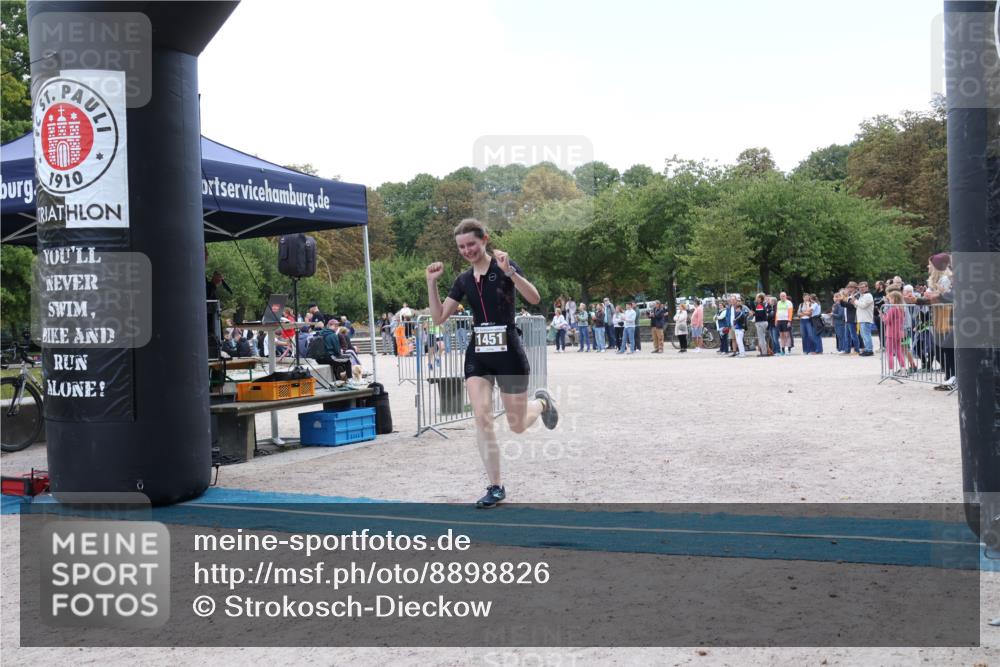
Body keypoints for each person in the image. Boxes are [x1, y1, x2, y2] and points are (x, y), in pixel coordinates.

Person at [425, 218, 558, 509]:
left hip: (509, 349)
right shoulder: (462, 280)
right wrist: (431, 284)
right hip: (479, 354)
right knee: (482, 416)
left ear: (484, 239)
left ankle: (542, 404)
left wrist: (512, 273)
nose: (467, 250)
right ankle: (496, 486)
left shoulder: (503, 265)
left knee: (518, 425)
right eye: (461, 247)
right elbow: (438, 318)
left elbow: (534, 298)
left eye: (471, 244)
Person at [853, 281, 875, 356]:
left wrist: (855, 301)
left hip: (866, 318)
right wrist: (854, 302)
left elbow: (863, 305)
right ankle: (867, 349)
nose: (861, 289)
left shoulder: (868, 296)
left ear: (867, 287)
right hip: (861, 318)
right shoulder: (862, 296)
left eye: (863, 287)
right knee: (864, 335)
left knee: (866, 335)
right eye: (860, 288)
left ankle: (869, 350)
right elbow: (857, 306)